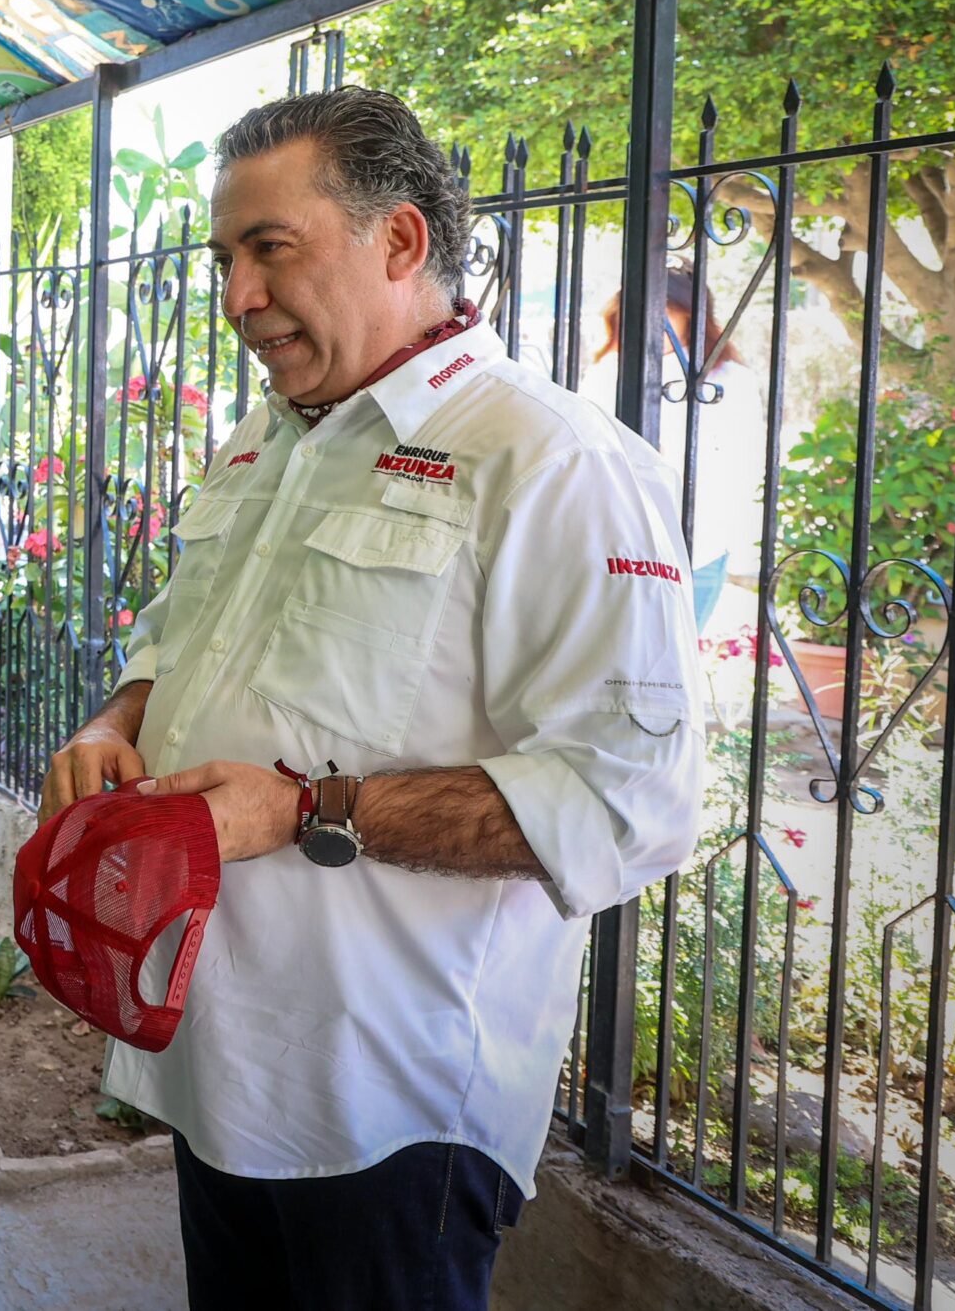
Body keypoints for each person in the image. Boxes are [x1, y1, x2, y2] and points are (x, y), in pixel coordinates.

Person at [41, 88, 702, 1310]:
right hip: (218, 1060)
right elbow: (175, 634)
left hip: (390, 1109)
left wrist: (304, 811)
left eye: (270, 251)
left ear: (399, 243)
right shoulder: (271, 437)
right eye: (225, 258)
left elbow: (630, 804)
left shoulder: (552, 461)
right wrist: (116, 720)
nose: (237, 297)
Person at [586, 265, 764, 631]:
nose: (652, 324)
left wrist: (743, 544)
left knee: (679, 662)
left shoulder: (731, 380)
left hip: (701, 542)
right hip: (620, 540)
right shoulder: (607, 371)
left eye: (665, 313)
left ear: (691, 316)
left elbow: (745, 463)